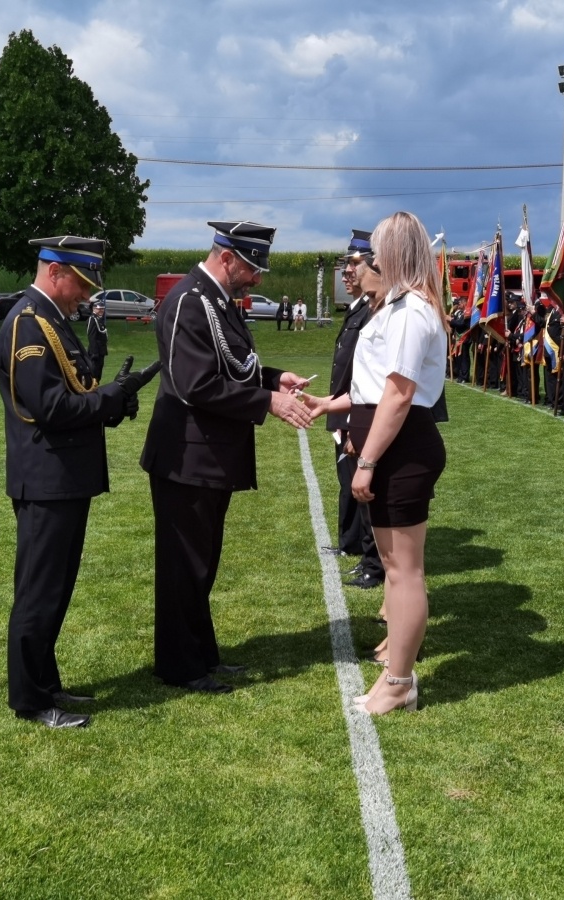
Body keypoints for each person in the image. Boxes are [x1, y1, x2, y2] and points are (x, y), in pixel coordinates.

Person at [140, 221, 315, 694]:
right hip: (186, 457)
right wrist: (268, 402)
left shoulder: (215, 300)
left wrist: (273, 378)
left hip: (208, 456)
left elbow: (233, 365)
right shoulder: (188, 301)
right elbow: (194, 384)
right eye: (252, 268)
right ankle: (181, 666)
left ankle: (202, 655)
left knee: (202, 563)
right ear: (227, 258)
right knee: (184, 566)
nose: (257, 279)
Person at [0, 235, 158, 729]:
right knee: (38, 593)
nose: (86, 295)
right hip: (46, 481)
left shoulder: (51, 319)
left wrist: (115, 400)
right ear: (55, 272)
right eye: (82, 284)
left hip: (63, 479)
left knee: (55, 590)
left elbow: (77, 390)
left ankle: (47, 684)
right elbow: (50, 408)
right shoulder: (28, 323)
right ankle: (30, 699)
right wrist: (109, 397)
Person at [306, 211, 448, 716]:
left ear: (396, 253)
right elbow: (371, 389)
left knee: (405, 572)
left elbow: (399, 394)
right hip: (390, 443)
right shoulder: (396, 306)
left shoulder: (411, 311)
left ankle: (400, 682)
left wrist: (366, 461)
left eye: (379, 248)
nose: (371, 258)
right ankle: (395, 675)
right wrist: (330, 403)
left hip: (401, 448)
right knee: (394, 568)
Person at [330, 230, 384, 590]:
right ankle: (357, 548)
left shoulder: (373, 311)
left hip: (359, 414)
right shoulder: (359, 310)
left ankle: (373, 563)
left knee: (365, 493)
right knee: (350, 485)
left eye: (353, 264)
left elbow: (368, 378)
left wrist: (351, 423)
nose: (347, 272)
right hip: (347, 411)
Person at [86, 297, 109, 380]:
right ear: (94, 309)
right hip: (95, 351)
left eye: (102, 309)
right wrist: (94, 352)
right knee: (94, 372)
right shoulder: (92, 319)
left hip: (101, 350)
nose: (101, 311)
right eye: (99, 309)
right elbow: (91, 336)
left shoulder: (98, 319)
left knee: (99, 371)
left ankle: (97, 384)